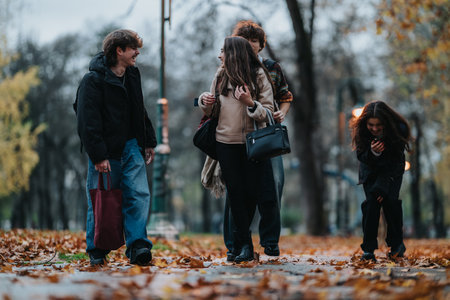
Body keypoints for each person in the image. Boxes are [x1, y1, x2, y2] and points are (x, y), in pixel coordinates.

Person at [76, 29, 157, 266]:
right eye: (133, 48)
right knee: (102, 198)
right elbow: (87, 121)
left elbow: (139, 108)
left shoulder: (132, 74)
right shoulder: (92, 80)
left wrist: (148, 140)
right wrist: (98, 155)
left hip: (132, 145)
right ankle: (97, 249)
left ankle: (138, 246)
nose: (137, 53)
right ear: (119, 50)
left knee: (138, 194)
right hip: (105, 151)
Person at [221, 20, 294, 260]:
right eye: (246, 40)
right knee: (236, 192)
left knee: (273, 185)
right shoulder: (228, 67)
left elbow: (285, 96)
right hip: (235, 138)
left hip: (265, 134)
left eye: (255, 41)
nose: (251, 45)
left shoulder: (271, 68)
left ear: (261, 45)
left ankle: (270, 241)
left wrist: (282, 112)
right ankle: (234, 242)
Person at [198, 36, 276, 262]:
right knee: (235, 194)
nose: (219, 54)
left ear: (235, 52)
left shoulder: (259, 75)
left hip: (254, 144)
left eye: (223, 50)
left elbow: (269, 112)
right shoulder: (221, 74)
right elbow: (211, 114)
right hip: (225, 142)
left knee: (250, 194)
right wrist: (206, 101)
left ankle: (241, 245)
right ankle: (243, 246)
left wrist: (250, 103)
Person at [349, 100, 412, 262]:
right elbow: (361, 156)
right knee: (371, 204)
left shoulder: (398, 130)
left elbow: (396, 161)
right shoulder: (362, 130)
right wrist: (373, 153)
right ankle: (368, 249)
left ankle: (397, 245)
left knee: (390, 202)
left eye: (379, 125)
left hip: (392, 173)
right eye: (371, 125)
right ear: (366, 123)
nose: (375, 129)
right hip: (370, 172)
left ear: (386, 122)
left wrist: (383, 186)